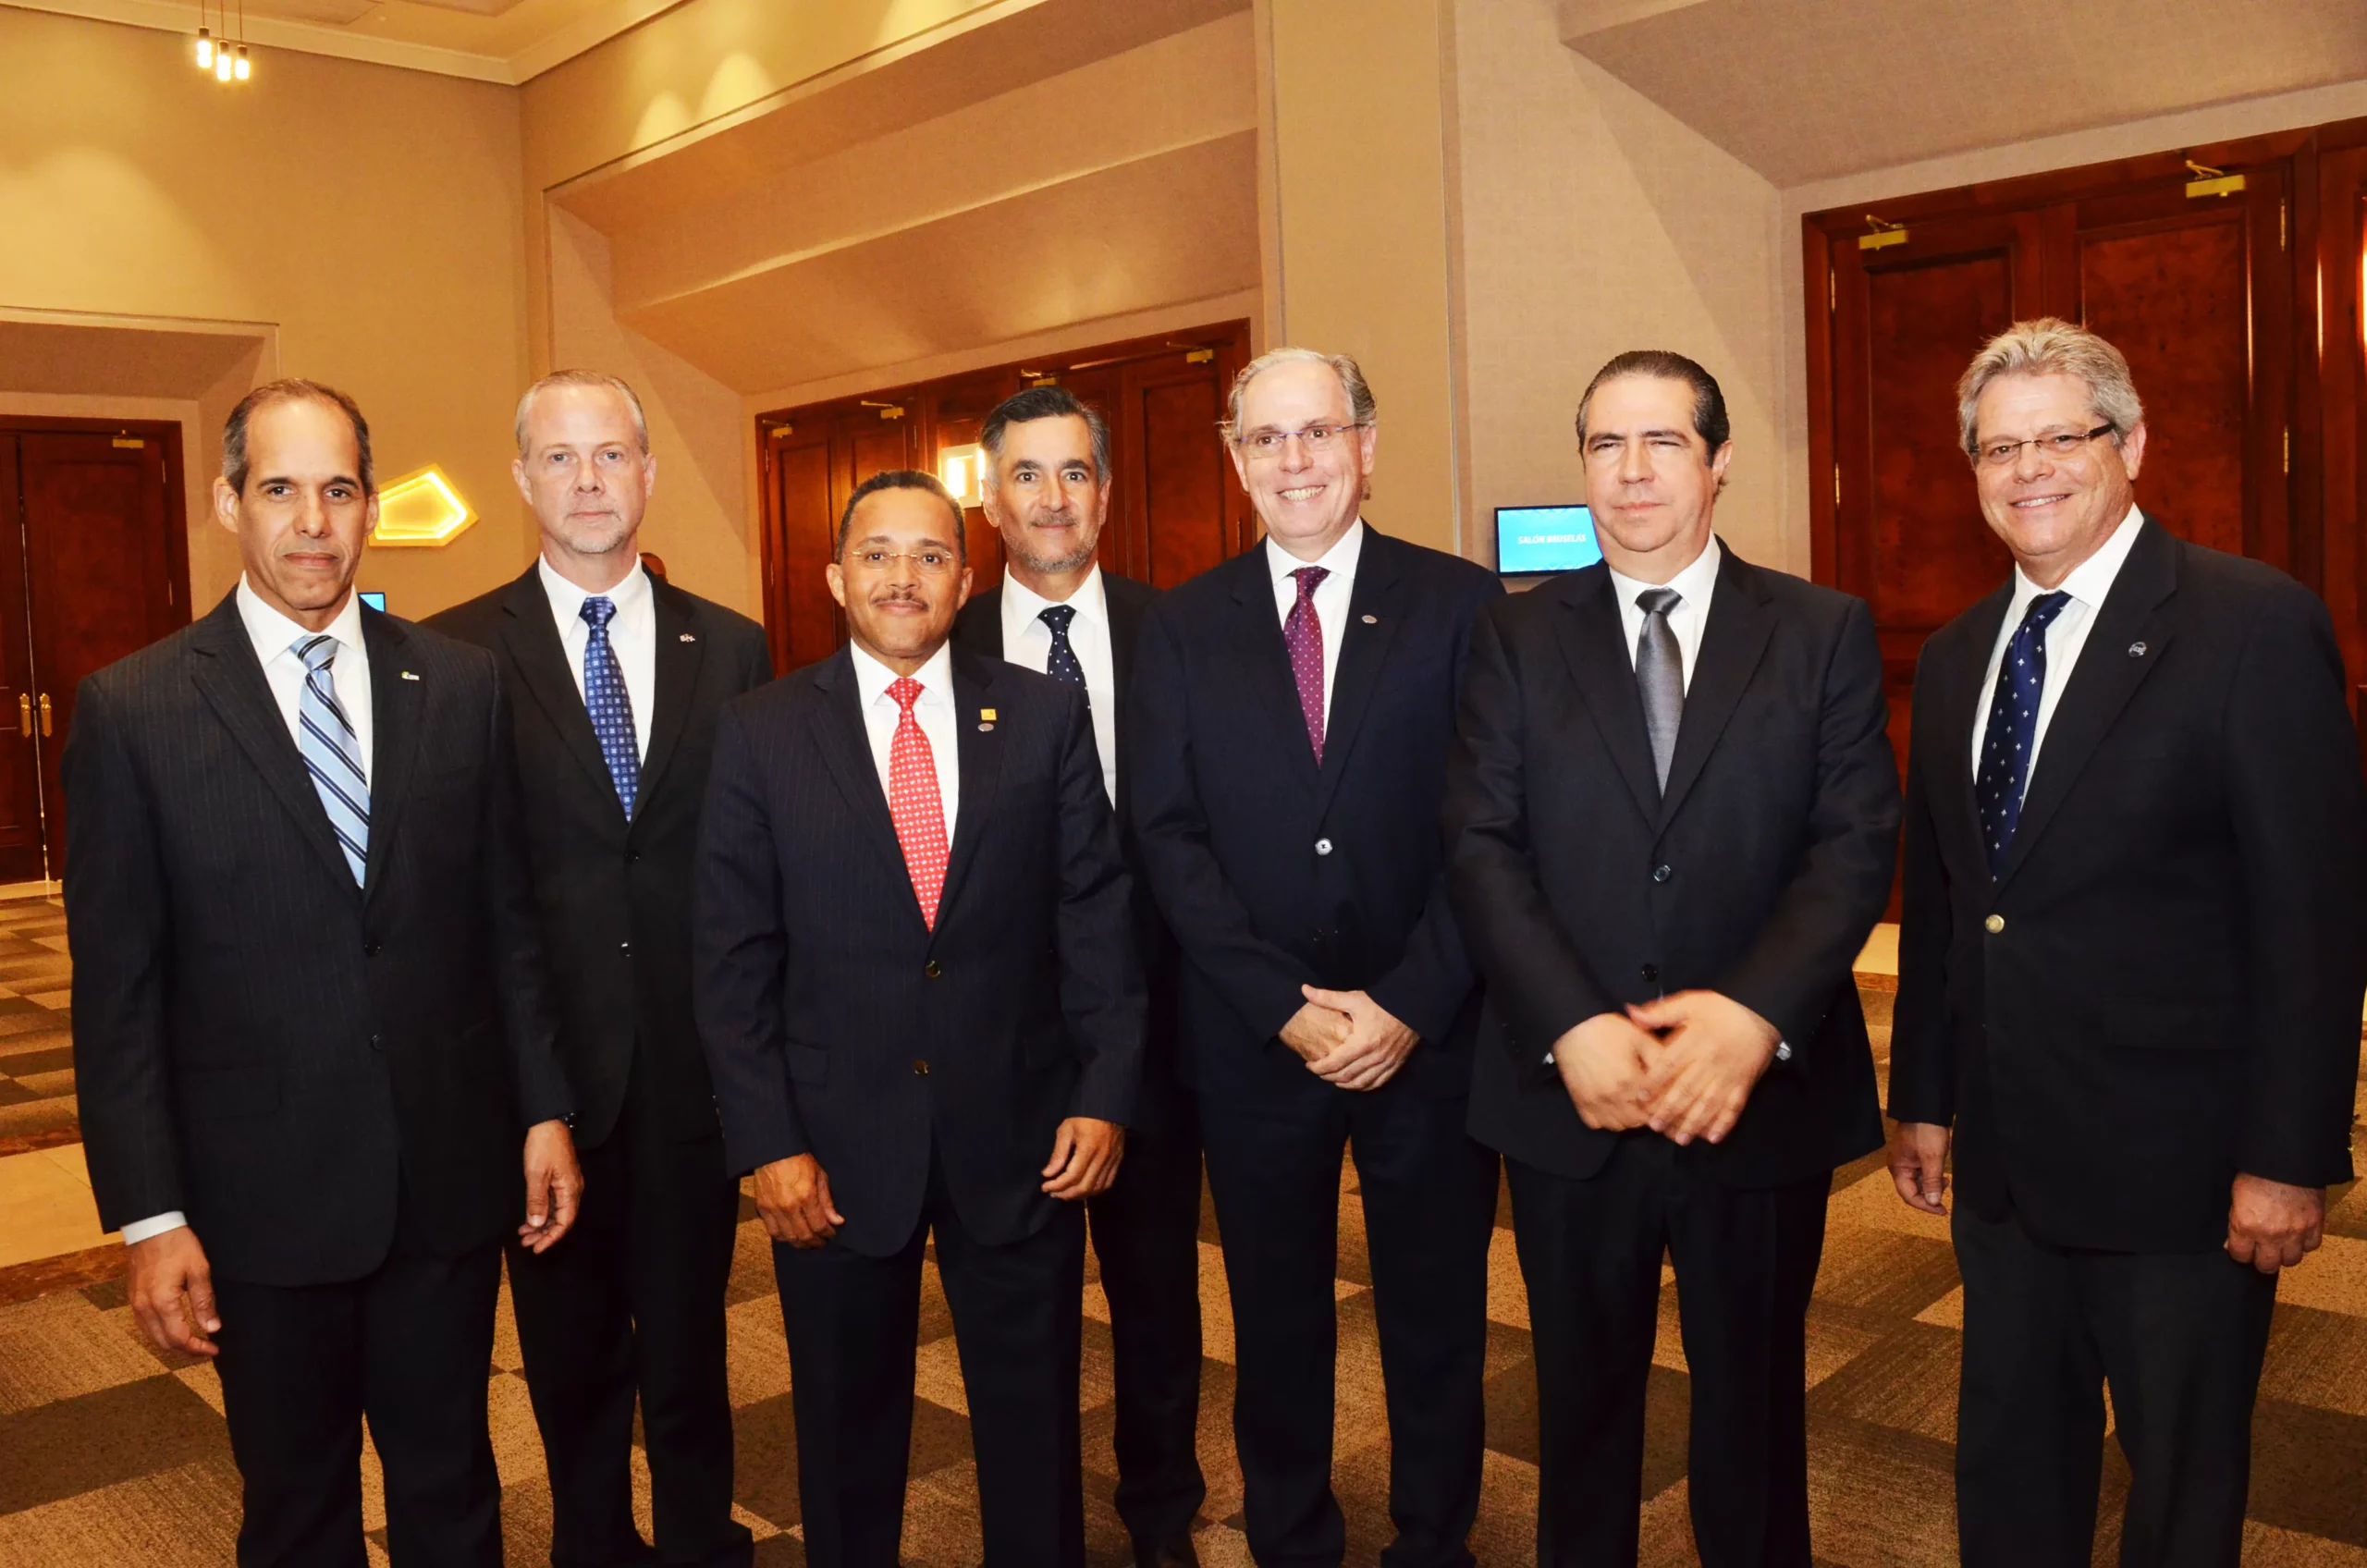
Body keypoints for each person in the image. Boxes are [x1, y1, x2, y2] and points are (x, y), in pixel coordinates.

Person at [65, 379, 582, 1567]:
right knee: (298, 1511)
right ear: (227, 500)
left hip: (443, 1186)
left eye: (339, 491)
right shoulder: (136, 708)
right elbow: (121, 995)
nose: (312, 521)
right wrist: (152, 1217)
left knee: (454, 1487)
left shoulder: (456, 684)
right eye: (281, 489)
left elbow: (506, 922)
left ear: (369, 507)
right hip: (258, 1201)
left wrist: (543, 1104)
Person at [1886, 318, 2365, 1566]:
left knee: (2180, 1487)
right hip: (2003, 1166)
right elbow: (1946, 903)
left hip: (2183, 1177)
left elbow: (2312, 920)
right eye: (2001, 448)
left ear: (2133, 445)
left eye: (2063, 437)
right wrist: (1924, 1098)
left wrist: (2288, 1156)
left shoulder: (2251, 626)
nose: (2030, 469)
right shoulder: (1951, 659)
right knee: (2010, 1461)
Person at [1444, 350, 1897, 1566]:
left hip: (1755, 1095)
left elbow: (1852, 848)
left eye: (1662, 443)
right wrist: (1572, 1024)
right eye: (1605, 445)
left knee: (1751, 1404)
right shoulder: (1515, 638)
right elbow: (1481, 847)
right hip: (1568, 1097)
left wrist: (1753, 1016)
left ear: (1719, 461)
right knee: (1577, 1404)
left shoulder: (1820, 629)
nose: (1631, 472)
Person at [694, 469, 1143, 1568]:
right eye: (880, 554)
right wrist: (770, 1143)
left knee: (1034, 1426)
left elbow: (1093, 912)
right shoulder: (758, 731)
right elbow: (731, 957)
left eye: (931, 555)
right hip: (833, 1150)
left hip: (1022, 1131)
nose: (905, 576)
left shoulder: (1040, 714)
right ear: (837, 575)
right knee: (846, 1438)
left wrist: (1104, 1092)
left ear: (966, 577)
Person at [1128, 348, 1502, 1568]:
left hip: (1426, 1033)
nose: (1295, 459)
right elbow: (1169, 838)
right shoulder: (1182, 625)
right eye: (1267, 438)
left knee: (1436, 1318)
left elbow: (1493, 827)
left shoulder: (1460, 607)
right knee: (1274, 1320)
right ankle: (1292, 1536)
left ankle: (1434, 1540)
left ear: (1367, 447)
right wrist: (1276, 1004)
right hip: (1254, 1044)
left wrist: (1409, 999)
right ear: (1237, 460)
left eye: (1319, 432)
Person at [428, 371, 771, 1568]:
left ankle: (696, 1546)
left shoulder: (731, 647)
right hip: (543, 1093)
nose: (588, 481)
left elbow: (750, 876)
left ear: (648, 475)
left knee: (689, 1358)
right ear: (523, 479)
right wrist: (537, 1102)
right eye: (561, 459)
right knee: (573, 1368)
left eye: (611, 456)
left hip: (693, 1081)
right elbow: (479, 902)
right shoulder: (455, 657)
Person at [951, 386, 1206, 1568]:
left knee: (1157, 1295)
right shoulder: (933, 654)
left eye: (1073, 473)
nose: (1051, 498)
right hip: (998, 1045)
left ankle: (1160, 1512)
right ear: (990, 499)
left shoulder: (1185, 636)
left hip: (1158, 1027)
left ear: (1104, 493)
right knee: (1020, 1311)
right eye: (1026, 475)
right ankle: (1035, 1528)